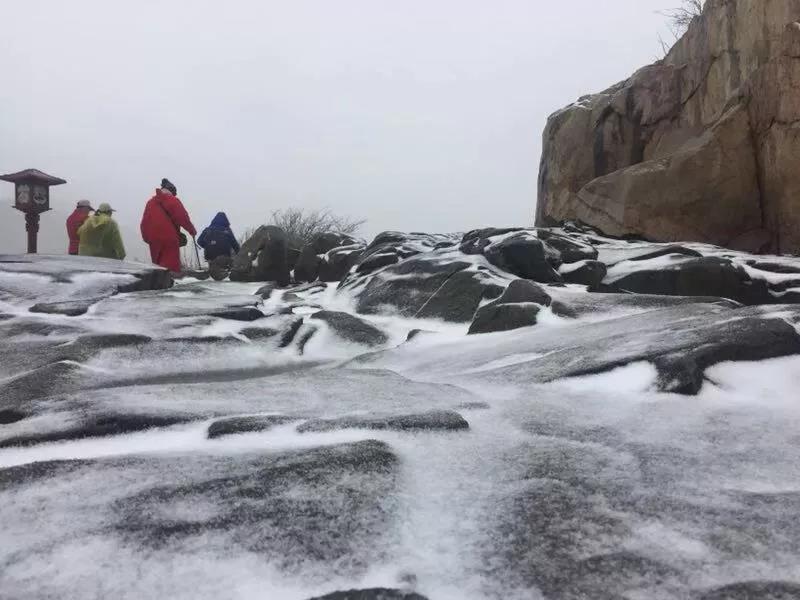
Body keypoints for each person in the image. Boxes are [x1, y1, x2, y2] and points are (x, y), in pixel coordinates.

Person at [140, 178, 196, 273]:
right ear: (172, 191)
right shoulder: (173, 200)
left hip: (154, 239)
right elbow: (182, 217)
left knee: (158, 266)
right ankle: (169, 284)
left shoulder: (150, 203)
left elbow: (144, 223)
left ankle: (158, 285)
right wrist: (192, 231)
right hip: (169, 238)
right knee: (170, 267)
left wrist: (147, 238)